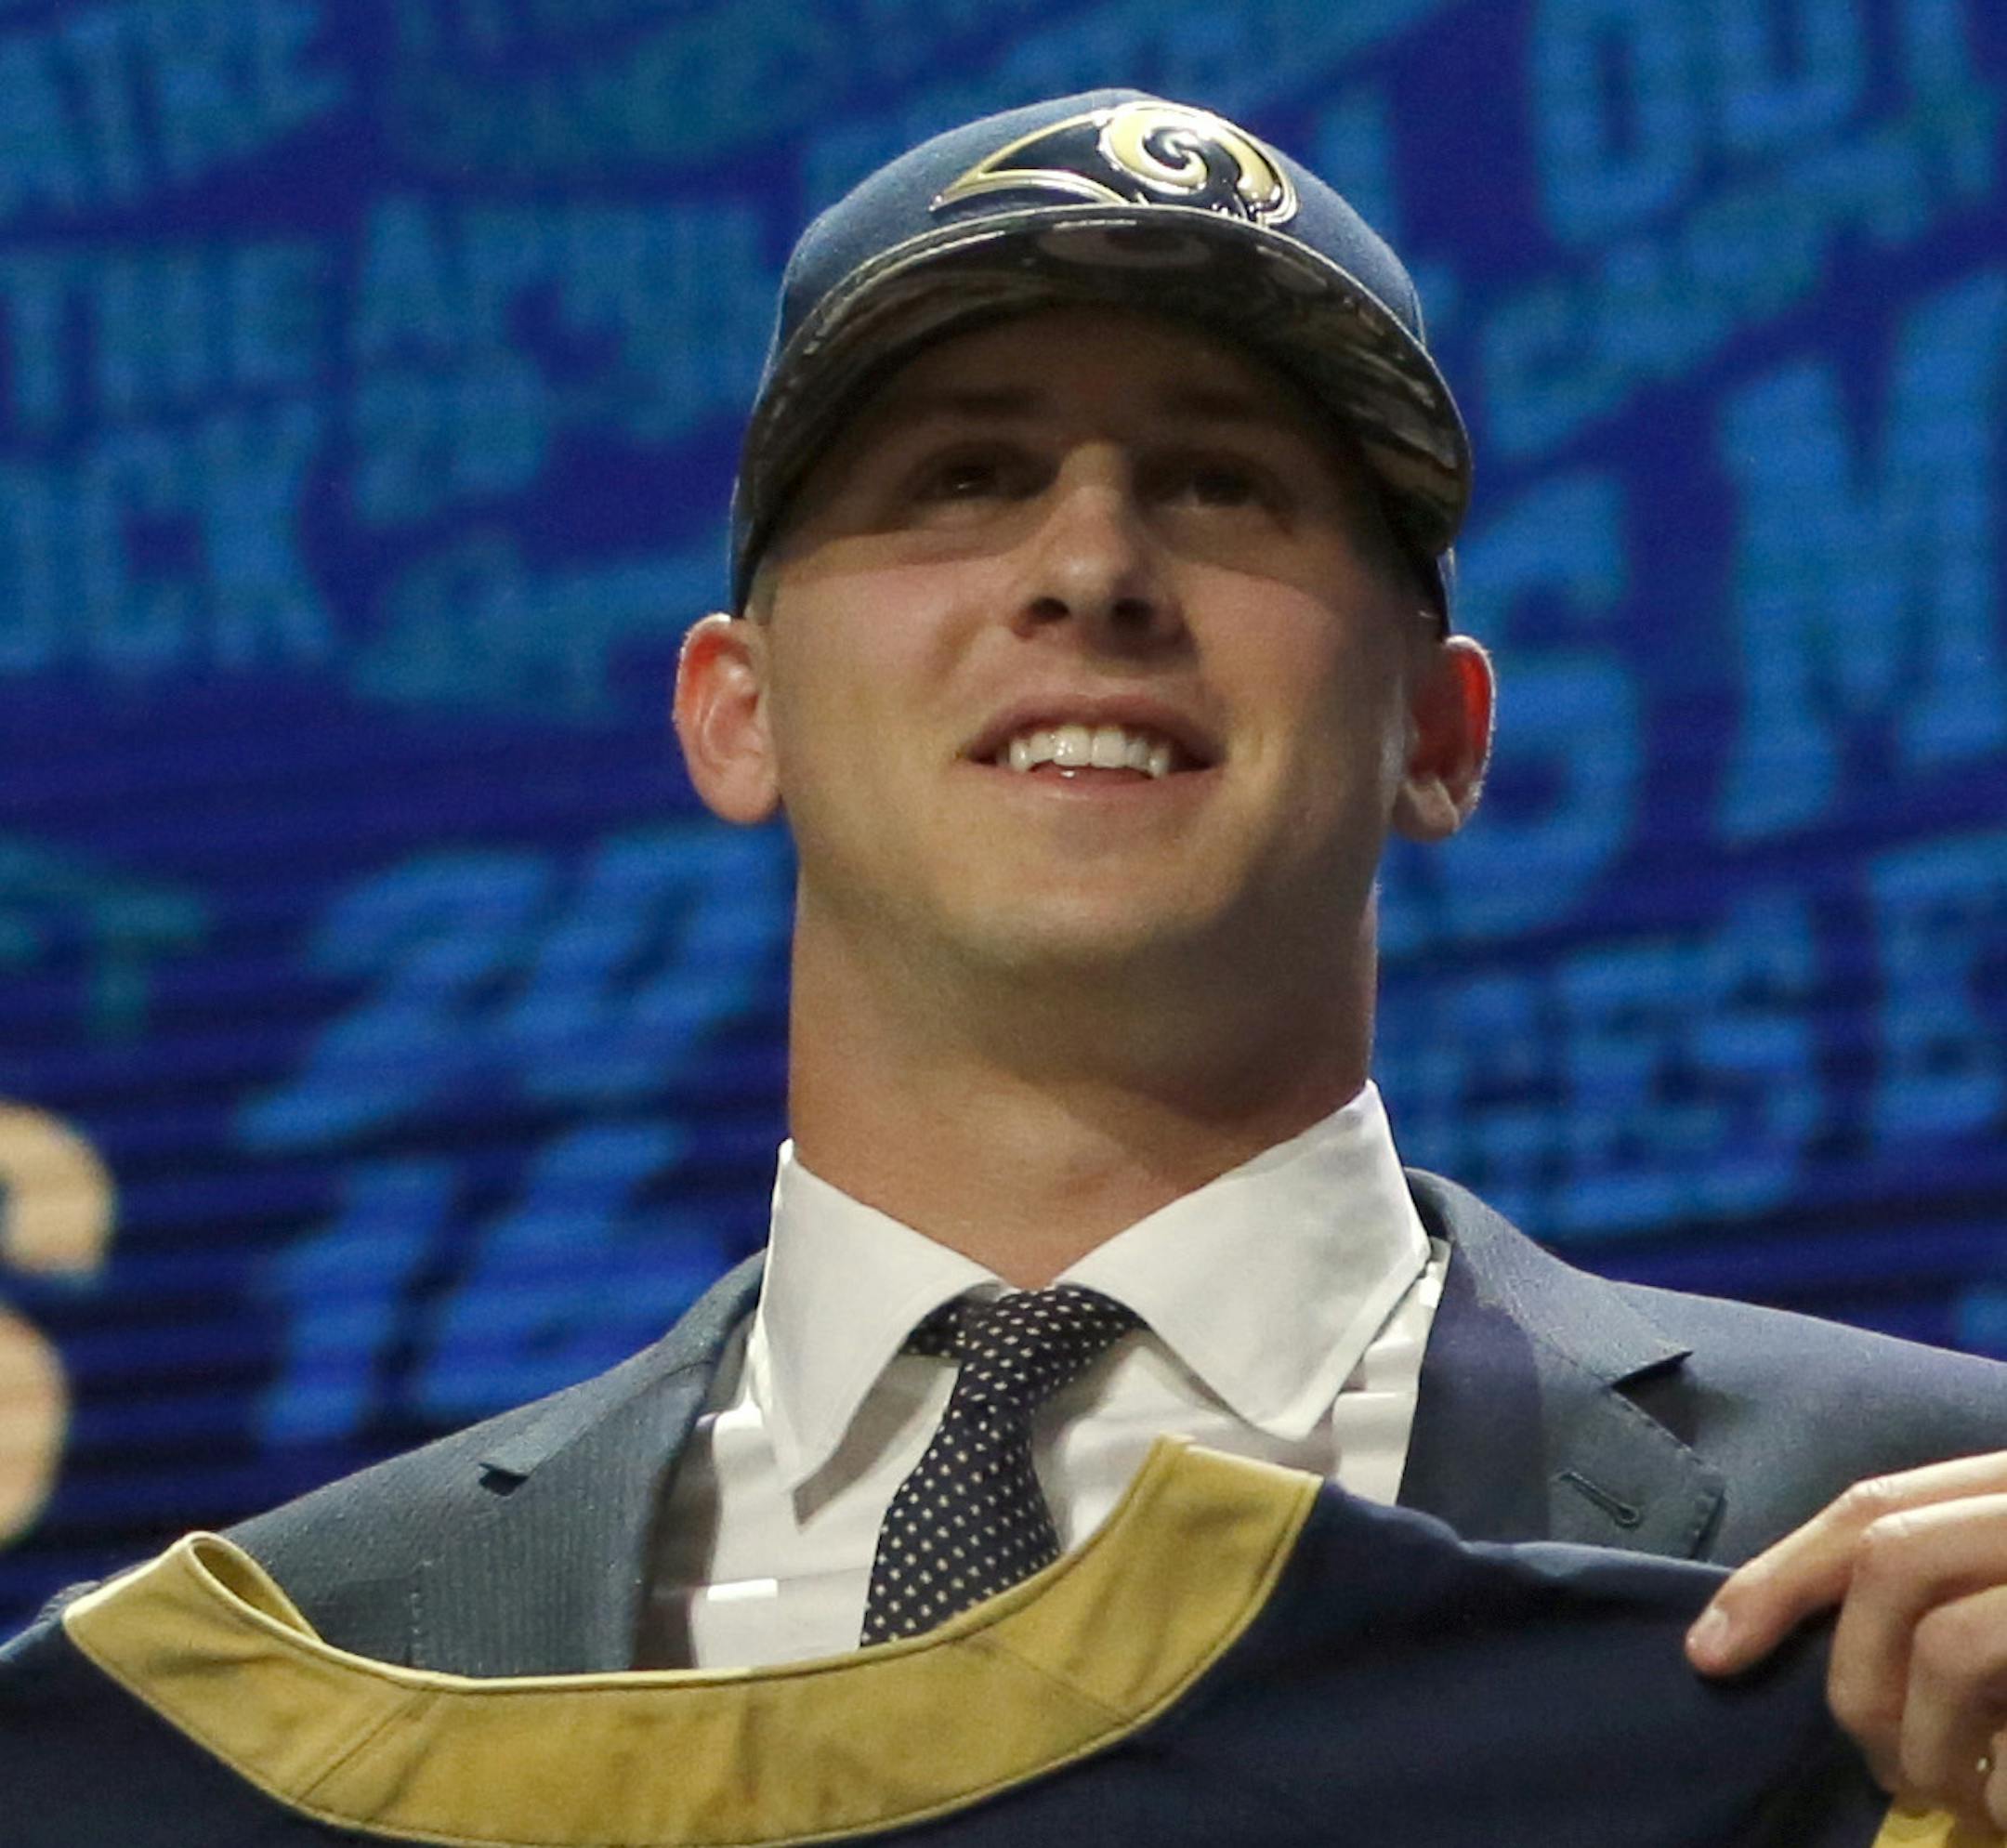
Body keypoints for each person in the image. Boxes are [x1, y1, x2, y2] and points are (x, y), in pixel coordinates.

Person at [17, 87, 2007, 1837]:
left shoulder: (1926, 1530)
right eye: (962, 476)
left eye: (1224, 481)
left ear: (1442, 733)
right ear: (736, 712)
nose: (1091, 566)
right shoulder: (296, 1669)